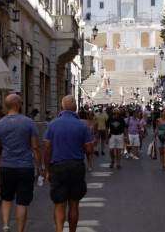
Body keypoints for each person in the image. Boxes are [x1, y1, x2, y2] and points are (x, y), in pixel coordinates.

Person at [0, 94, 42, 232]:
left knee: (6, 198)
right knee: (22, 202)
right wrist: (40, 167)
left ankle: (6, 225)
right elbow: (35, 147)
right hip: (25, 167)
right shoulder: (29, 122)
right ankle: (19, 230)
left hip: (6, 166)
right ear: (18, 105)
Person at [44, 96, 94, 232]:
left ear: (62, 107)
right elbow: (89, 149)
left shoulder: (53, 124)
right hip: (76, 166)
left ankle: (59, 230)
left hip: (58, 166)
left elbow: (47, 148)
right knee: (74, 204)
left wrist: (47, 169)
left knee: (59, 204)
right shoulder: (82, 126)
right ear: (75, 107)